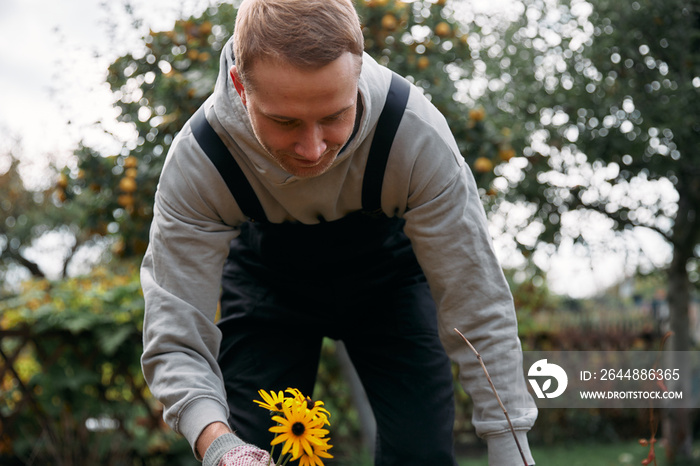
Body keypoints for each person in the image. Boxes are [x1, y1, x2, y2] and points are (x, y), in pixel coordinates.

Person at [140, 0, 538, 465]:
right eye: (285, 120)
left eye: (333, 116)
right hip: (266, 288)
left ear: (356, 78)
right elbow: (175, 334)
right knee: (256, 446)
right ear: (239, 87)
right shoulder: (200, 161)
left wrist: (511, 444)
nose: (312, 150)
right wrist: (220, 447)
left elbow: (477, 301)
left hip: (390, 284)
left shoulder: (414, 134)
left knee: (421, 453)